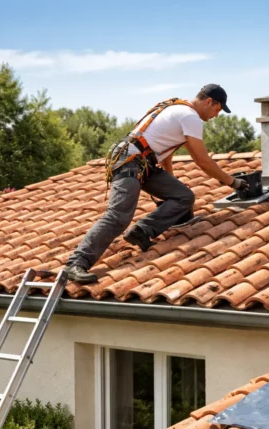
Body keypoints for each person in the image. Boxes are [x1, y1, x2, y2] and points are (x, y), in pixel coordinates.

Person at [65, 84, 248, 284]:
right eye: (217, 109)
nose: (216, 115)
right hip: (129, 160)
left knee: (184, 197)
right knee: (118, 216)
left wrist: (171, 189)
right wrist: (233, 182)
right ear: (209, 101)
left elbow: (166, 157)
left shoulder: (178, 109)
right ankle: (76, 264)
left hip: (143, 163)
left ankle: (142, 231)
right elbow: (202, 160)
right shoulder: (190, 117)